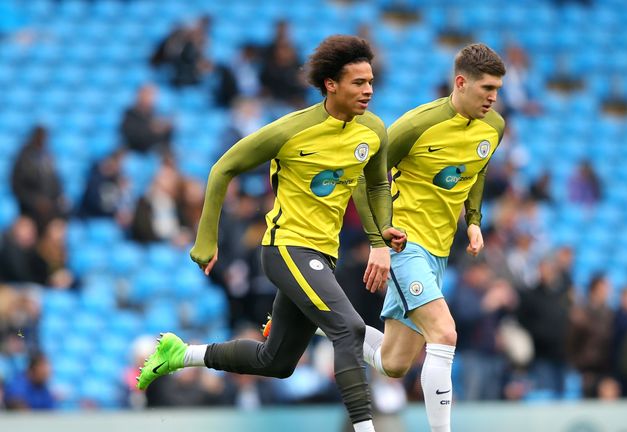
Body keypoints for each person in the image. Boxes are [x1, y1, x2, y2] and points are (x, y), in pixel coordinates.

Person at [136, 35, 406, 432]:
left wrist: (380, 238)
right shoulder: (291, 130)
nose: (368, 90)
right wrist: (206, 239)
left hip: (322, 256)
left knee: (275, 362)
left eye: (370, 82)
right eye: (358, 83)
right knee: (347, 329)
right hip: (287, 249)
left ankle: (181, 354)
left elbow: (374, 187)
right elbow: (222, 168)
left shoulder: (373, 131)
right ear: (331, 84)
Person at [352, 43, 505, 432]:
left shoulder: (494, 128)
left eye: (497, 90)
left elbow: (478, 169)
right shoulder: (416, 125)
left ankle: (317, 318)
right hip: (405, 243)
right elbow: (365, 174)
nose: (493, 97)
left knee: (393, 362)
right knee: (445, 333)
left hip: (439, 252)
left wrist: (473, 219)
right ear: (460, 82)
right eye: (486, 88)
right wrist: (378, 241)